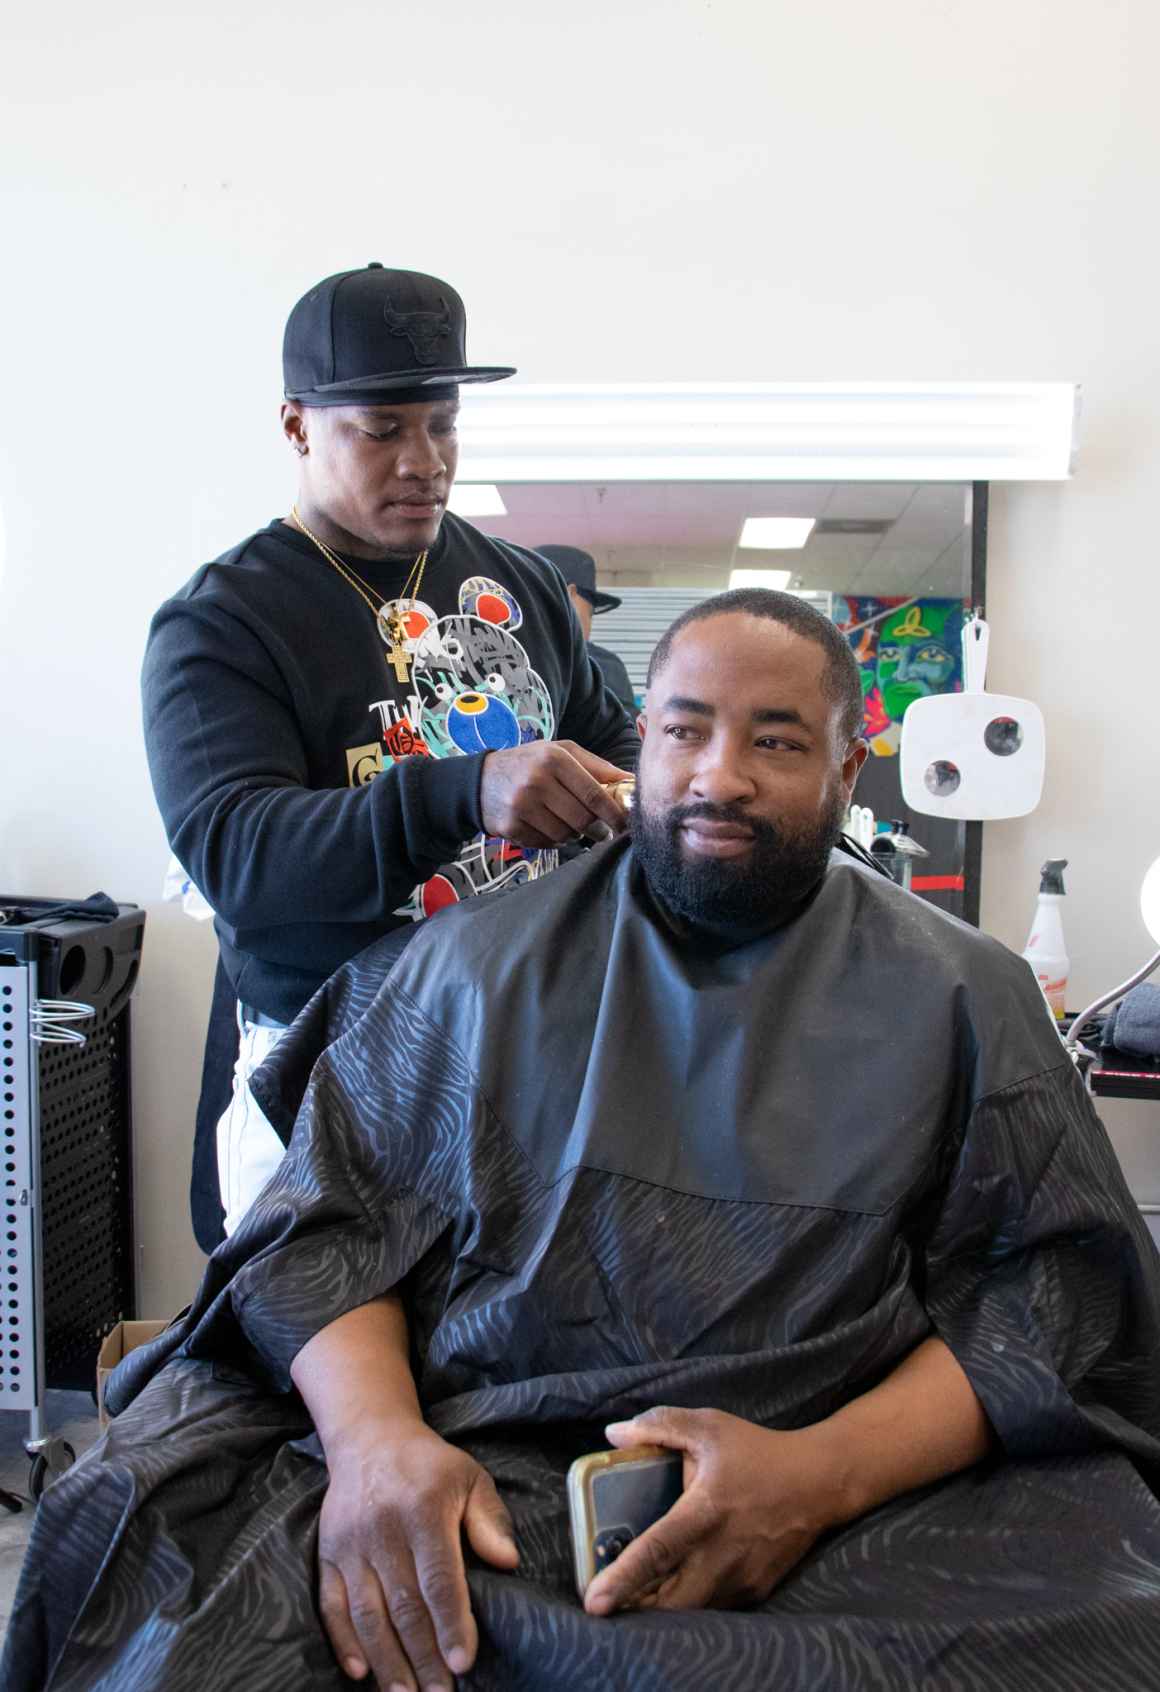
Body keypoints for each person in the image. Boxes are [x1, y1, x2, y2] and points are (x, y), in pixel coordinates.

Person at [9, 589, 1160, 1691]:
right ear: (636, 746)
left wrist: (819, 1475)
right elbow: (320, 1237)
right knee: (159, 1571)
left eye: (776, 742)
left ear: (846, 769)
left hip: (842, 1470)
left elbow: (1053, 1303)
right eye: (685, 732)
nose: (720, 777)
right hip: (473, 1451)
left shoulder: (965, 994)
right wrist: (373, 1447)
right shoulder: (468, 971)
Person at [141, 265, 638, 1244]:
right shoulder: (223, 621)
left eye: (441, 424)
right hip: (330, 1072)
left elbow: (611, 747)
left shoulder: (521, 584)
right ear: (296, 426)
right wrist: (464, 791)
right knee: (315, 1386)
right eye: (381, 431)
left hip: (524, 1060)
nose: (423, 462)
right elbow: (237, 856)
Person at [535, 543, 636, 710]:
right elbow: (626, 732)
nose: (590, 626)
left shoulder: (502, 656)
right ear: (568, 595)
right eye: (589, 613)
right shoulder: (601, 664)